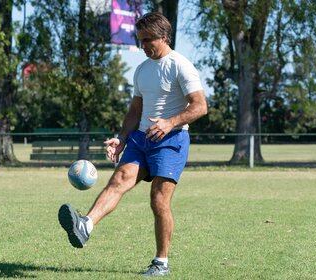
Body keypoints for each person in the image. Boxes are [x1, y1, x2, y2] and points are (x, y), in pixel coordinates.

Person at [58, 12, 207, 277]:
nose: (144, 46)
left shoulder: (181, 65)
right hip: (140, 138)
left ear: (164, 36)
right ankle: (85, 226)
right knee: (118, 181)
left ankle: (161, 262)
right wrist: (122, 138)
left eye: (148, 39)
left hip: (171, 140)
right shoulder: (142, 70)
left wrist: (169, 122)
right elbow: (134, 110)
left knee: (159, 200)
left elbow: (200, 106)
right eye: (140, 40)